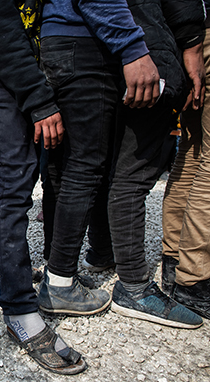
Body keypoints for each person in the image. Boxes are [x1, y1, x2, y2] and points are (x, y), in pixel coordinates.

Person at [37, 0, 204, 329]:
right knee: (88, 169)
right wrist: (132, 47)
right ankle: (70, 284)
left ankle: (68, 274)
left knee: (85, 167)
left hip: (82, 39)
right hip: (88, 39)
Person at [0, 0, 87, 375]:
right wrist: (39, 100)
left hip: (17, 77)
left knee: (19, 182)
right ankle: (19, 308)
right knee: (14, 190)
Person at [161, 0, 210, 320]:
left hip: (188, 33)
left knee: (192, 152)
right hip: (200, 34)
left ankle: (174, 260)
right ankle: (194, 276)